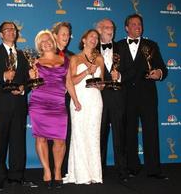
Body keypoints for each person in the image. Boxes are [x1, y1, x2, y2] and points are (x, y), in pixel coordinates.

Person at [0, 21, 36, 192]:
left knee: (18, 141)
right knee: (1, 142)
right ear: (0, 34)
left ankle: (17, 176)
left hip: (19, 104)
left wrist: (23, 89)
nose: (11, 32)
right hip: (2, 105)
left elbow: (30, 80)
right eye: (7, 30)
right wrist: (3, 76)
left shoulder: (23, 55)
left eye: (13, 29)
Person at [117, 14, 168, 180]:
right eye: (133, 24)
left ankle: (153, 168)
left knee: (151, 131)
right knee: (129, 132)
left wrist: (158, 73)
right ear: (126, 28)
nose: (137, 26)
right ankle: (132, 167)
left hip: (147, 96)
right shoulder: (117, 46)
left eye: (140, 24)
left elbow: (163, 68)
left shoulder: (151, 45)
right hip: (126, 96)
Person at [28, 30, 81, 189]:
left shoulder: (65, 60)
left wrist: (76, 100)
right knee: (41, 138)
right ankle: (47, 171)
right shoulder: (34, 62)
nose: (46, 42)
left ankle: (58, 171)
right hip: (39, 103)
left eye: (48, 40)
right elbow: (32, 84)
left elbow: (69, 83)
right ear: (39, 46)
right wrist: (31, 78)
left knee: (60, 140)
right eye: (42, 41)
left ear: (53, 41)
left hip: (58, 103)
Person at [63, 29, 104, 184]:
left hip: (95, 100)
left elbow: (102, 85)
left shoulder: (99, 58)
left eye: (97, 37)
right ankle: (81, 174)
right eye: (91, 36)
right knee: (79, 135)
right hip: (79, 99)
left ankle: (94, 174)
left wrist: (98, 83)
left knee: (93, 136)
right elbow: (71, 81)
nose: (94, 39)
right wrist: (87, 71)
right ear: (84, 40)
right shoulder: (74, 58)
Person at [96, 19, 128, 182]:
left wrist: (120, 76)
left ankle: (122, 171)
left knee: (120, 135)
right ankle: (98, 171)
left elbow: (131, 69)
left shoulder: (122, 47)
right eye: (107, 27)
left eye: (112, 28)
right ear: (99, 30)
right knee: (99, 135)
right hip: (98, 98)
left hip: (117, 97)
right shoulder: (92, 48)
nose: (111, 30)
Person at [51, 21, 74, 176]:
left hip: (66, 101)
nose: (66, 37)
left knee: (64, 135)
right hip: (49, 100)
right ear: (55, 36)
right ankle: (50, 170)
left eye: (68, 34)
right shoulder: (46, 54)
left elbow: (73, 80)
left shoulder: (72, 56)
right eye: (63, 34)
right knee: (51, 136)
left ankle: (62, 170)